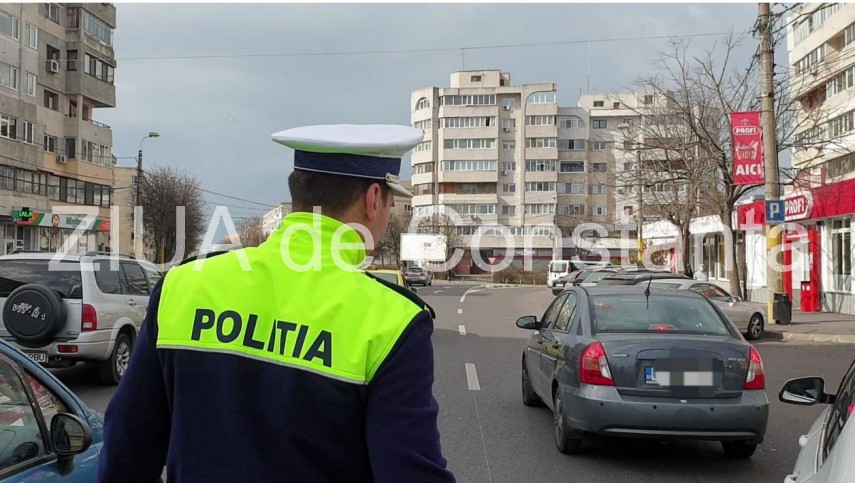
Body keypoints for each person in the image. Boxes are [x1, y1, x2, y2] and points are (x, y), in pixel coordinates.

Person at [97, 124, 456, 483]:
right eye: (391, 203)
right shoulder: (392, 320)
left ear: (298, 193)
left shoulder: (183, 285)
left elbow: (125, 452)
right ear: (374, 199)